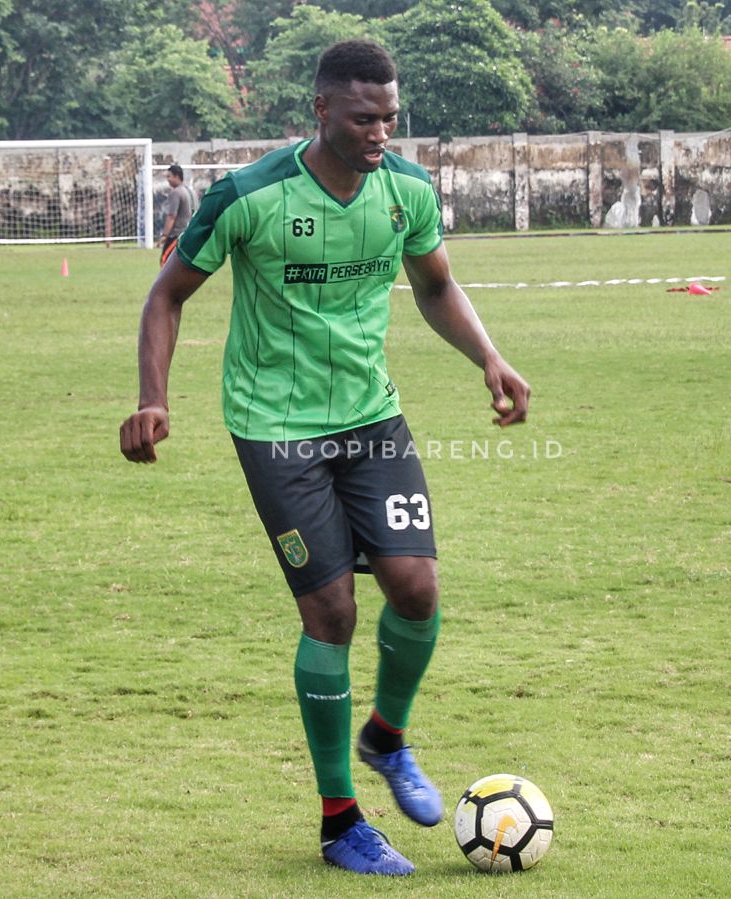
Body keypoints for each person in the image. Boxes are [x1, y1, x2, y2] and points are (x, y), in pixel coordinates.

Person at [118, 39, 531, 877]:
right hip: (275, 428)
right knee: (332, 613)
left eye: (389, 116)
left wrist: (489, 356)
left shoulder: (406, 191)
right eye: (362, 117)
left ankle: (387, 736)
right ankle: (340, 821)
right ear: (320, 111)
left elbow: (435, 285)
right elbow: (166, 295)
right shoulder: (249, 196)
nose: (380, 132)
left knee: (417, 587)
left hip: (372, 416)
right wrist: (153, 396)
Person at [158, 164, 195, 266]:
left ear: (177, 177)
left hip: (177, 235)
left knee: (165, 262)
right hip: (189, 234)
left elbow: (172, 216)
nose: (167, 179)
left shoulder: (176, 193)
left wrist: (165, 235)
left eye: (169, 176)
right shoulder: (190, 191)